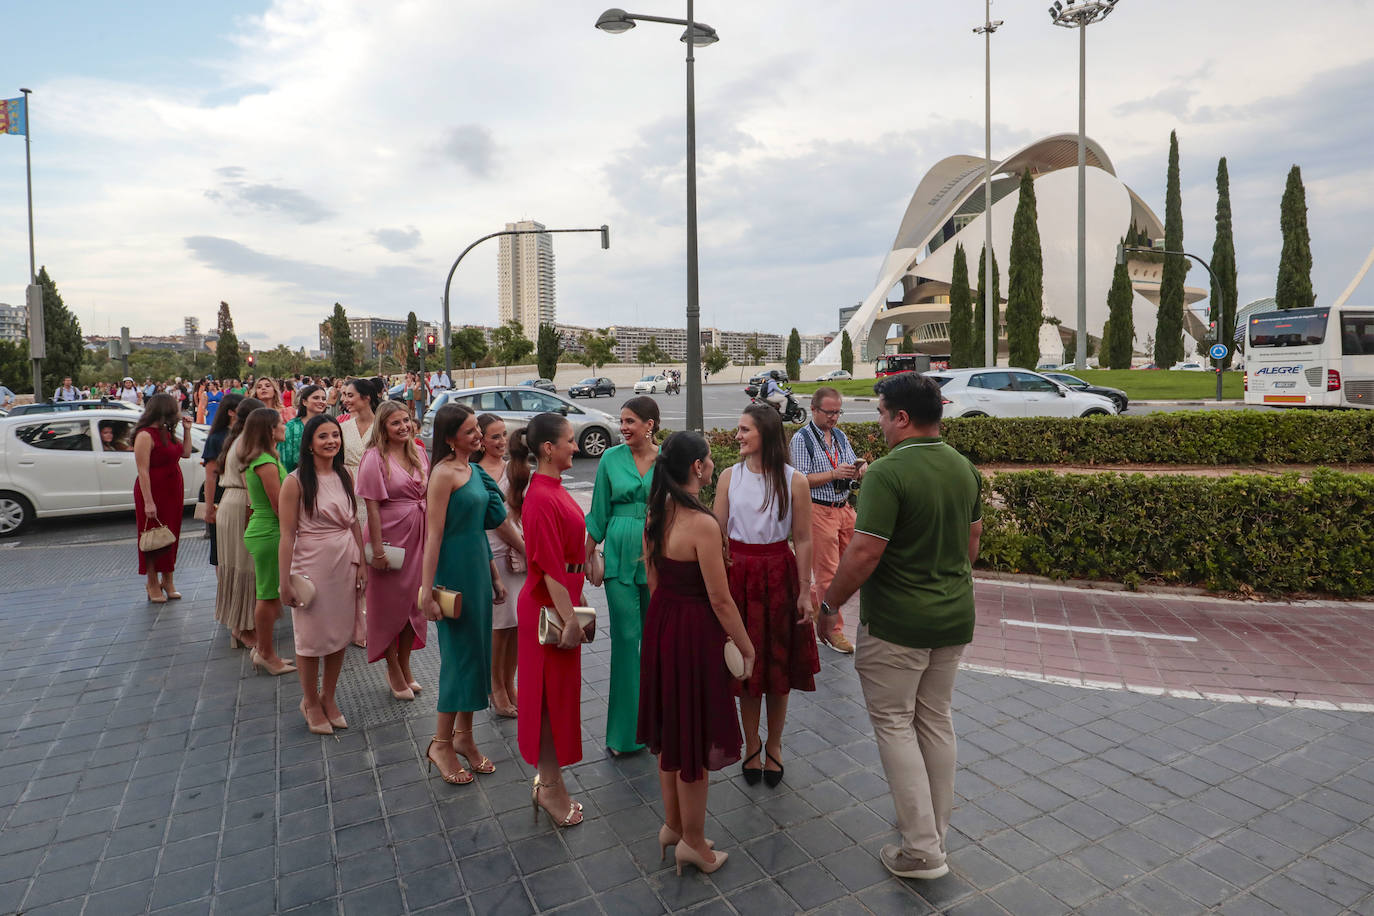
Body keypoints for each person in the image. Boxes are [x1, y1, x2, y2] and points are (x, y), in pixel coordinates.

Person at [822, 372, 983, 881]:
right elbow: (971, 545)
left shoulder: (888, 474)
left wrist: (830, 603)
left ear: (902, 418)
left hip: (898, 623)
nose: (880, 423)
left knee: (894, 724)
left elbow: (865, 550)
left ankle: (921, 851)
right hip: (954, 616)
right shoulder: (963, 468)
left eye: (881, 414)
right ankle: (932, 831)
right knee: (935, 721)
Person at [639, 431, 755, 876]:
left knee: (671, 733)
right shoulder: (703, 524)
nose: (709, 465)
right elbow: (721, 600)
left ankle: (674, 826)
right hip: (693, 633)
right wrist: (747, 649)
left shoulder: (657, 514)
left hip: (663, 626)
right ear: (697, 468)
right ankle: (692, 842)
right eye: (707, 460)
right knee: (693, 741)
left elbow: (653, 583)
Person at [713, 404, 816, 788]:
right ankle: (751, 744)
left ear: (766, 435)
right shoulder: (729, 477)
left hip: (779, 572)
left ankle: (774, 745)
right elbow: (717, 533)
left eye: (744, 430)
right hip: (738, 574)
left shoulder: (795, 480)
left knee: (777, 666)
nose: (737, 435)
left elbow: (803, 539)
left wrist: (805, 590)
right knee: (746, 666)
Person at [418, 404, 508, 785]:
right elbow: (433, 535)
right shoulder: (442, 474)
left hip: (477, 571)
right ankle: (440, 743)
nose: (478, 435)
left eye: (478, 429)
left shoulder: (471, 469)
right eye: (470, 431)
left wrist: (493, 575)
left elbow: (480, 528)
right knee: (457, 660)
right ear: (451, 437)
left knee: (477, 658)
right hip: (452, 575)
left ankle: (464, 738)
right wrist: (426, 591)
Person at [511, 413, 588, 826]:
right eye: (570, 441)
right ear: (548, 449)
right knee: (546, 703)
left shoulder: (551, 488)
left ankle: (550, 783)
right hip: (547, 609)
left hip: (559, 603)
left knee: (556, 700)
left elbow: (565, 559)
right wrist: (569, 617)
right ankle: (550, 787)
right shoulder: (540, 495)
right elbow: (546, 565)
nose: (575, 447)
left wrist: (580, 593)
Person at [279, 415, 366, 735]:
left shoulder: (345, 474)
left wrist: (363, 563)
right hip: (310, 565)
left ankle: (328, 697)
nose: (331, 441)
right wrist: (284, 579)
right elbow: (287, 535)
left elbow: (355, 521)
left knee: (339, 635)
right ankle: (310, 701)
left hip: (345, 561)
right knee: (311, 638)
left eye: (335, 435)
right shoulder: (295, 481)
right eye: (323, 436)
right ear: (309, 444)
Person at [584, 396, 659, 757]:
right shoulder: (610, 458)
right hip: (618, 554)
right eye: (622, 421)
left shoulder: (666, 461)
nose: (624, 427)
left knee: (655, 642)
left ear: (650, 425)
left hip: (658, 555)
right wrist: (588, 552)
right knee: (628, 641)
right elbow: (598, 509)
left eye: (631, 421)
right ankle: (625, 734)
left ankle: (656, 724)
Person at [358, 401, 431, 701]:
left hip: (419, 536)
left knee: (415, 606)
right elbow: (371, 508)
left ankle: (404, 665)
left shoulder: (419, 451)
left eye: (406, 421)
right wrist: (376, 550)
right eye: (395, 423)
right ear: (383, 428)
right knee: (389, 609)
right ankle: (393, 669)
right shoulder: (374, 458)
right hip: (389, 538)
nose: (403, 427)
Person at [789, 387, 866, 654]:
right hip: (818, 509)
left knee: (860, 564)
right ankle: (832, 631)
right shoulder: (801, 440)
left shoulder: (840, 436)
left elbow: (847, 464)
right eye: (829, 412)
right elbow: (799, 480)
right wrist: (834, 473)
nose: (834, 418)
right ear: (813, 409)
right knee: (828, 574)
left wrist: (859, 469)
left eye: (837, 412)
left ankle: (812, 602)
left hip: (844, 509)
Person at [476, 413, 526, 717]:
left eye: (504, 435)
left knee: (516, 623)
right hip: (489, 550)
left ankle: (510, 682)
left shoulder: (515, 470)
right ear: (480, 439)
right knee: (498, 625)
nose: (501, 441)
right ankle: (496, 688)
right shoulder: (473, 472)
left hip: (516, 551)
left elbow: (523, 511)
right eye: (494, 436)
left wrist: (524, 547)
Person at [240, 407, 296, 676]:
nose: (284, 426)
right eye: (281, 423)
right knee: (267, 596)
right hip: (270, 532)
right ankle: (264, 653)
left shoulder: (266, 458)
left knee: (271, 596)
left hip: (267, 530)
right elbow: (278, 505)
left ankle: (265, 651)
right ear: (269, 430)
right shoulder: (265, 462)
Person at [133, 394, 194, 604]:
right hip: (153, 489)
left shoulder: (167, 432)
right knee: (151, 537)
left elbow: (186, 453)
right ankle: (152, 582)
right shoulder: (145, 435)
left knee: (171, 535)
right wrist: (148, 502)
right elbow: (142, 471)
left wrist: (187, 431)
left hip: (172, 488)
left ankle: (168, 580)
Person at [213, 397, 264, 649]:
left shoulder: (235, 439)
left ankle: (240, 624)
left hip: (229, 502)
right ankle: (243, 628)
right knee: (246, 567)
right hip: (241, 504)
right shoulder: (248, 442)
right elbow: (250, 485)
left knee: (235, 566)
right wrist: (254, 514)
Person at [339, 378, 381, 647]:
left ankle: (377, 619)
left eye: (350, 395)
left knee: (375, 556)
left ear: (367, 398)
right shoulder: (341, 428)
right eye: (344, 395)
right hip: (350, 494)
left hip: (377, 495)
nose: (345, 399)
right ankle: (357, 624)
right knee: (355, 560)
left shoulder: (384, 424)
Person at [201, 393, 244, 581]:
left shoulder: (246, 436)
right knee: (221, 548)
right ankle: (225, 586)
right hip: (223, 495)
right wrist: (209, 507)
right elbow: (210, 475)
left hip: (243, 497)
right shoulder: (217, 438)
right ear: (231, 413)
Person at [280, 384, 328, 472]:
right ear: (304, 402)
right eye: (316, 398)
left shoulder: (329, 425)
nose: (321, 401)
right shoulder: (292, 427)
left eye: (323, 399)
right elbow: (284, 458)